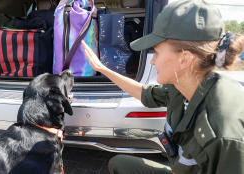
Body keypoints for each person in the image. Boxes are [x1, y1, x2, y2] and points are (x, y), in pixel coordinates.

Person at [81, 0, 244, 173]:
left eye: (156, 52)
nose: (152, 60)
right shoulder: (181, 87)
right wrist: (102, 69)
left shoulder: (224, 135)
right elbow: (142, 92)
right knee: (120, 164)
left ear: (185, 59)